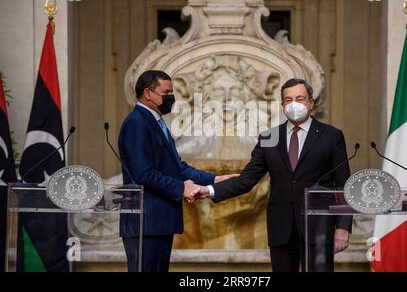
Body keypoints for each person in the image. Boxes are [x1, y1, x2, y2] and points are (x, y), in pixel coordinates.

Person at [195, 78, 352, 272]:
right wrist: (209, 190)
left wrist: (343, 227)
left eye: (300, 98)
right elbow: (247, 179)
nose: (294, 103)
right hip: (281, 229)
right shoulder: (270, 138)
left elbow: (344, 184)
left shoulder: (331, 135)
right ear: (282, 105)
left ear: (311, 102)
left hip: (319, 227)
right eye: (288, 99)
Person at [118, 70, 238, 272]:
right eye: (166, 93)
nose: (170, 98)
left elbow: (177, 167)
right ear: (148, 93)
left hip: (158, 221)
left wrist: (214, 179)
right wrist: (181, 188)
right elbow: (143, 173)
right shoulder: (137, 123)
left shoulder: (155, 122)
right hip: (145, 221)